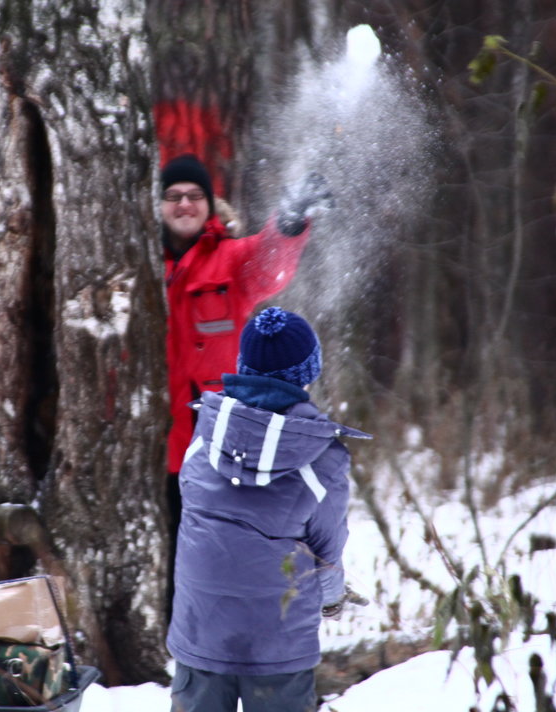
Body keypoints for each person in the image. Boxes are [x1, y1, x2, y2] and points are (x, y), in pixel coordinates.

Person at [167, 307, 370, 712]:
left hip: (199, 629)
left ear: (243, 365)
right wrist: (331, 600)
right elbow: (325, 553)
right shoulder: (322, 459)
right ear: (307, 372)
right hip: (276, 643)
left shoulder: (205, 435)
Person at [160, 154, 332, 598]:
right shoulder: (137, 266)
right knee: (158, 562)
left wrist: (290, 222)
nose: (184, 204)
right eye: (173, 196)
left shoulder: (228, 261)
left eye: (195, 196)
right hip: (150, 448)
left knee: (210, 563)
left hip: (215, 448)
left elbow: (268, 260)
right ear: (158, 205)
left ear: (210, 205)